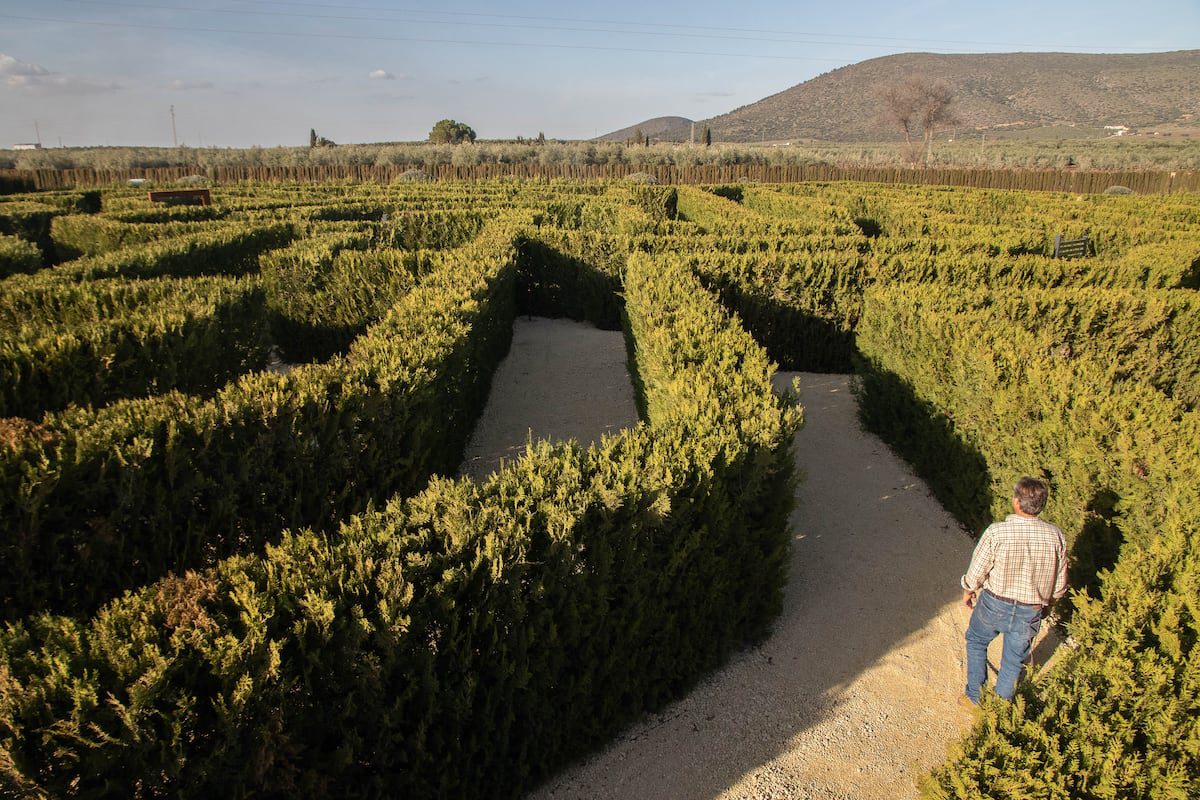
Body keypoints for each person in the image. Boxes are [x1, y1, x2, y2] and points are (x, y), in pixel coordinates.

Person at [959, 477, 1069, 706]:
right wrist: (1049, 603)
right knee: (1013, 660)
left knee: (977, 641)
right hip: (1030, 610)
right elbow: (1059, 583)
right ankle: (1001, 706)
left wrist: (969, 589)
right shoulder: (1056, 536)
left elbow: (979, 567)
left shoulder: (997, 532)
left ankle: (974, 698)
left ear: (1016, 502)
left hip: (994, 603)